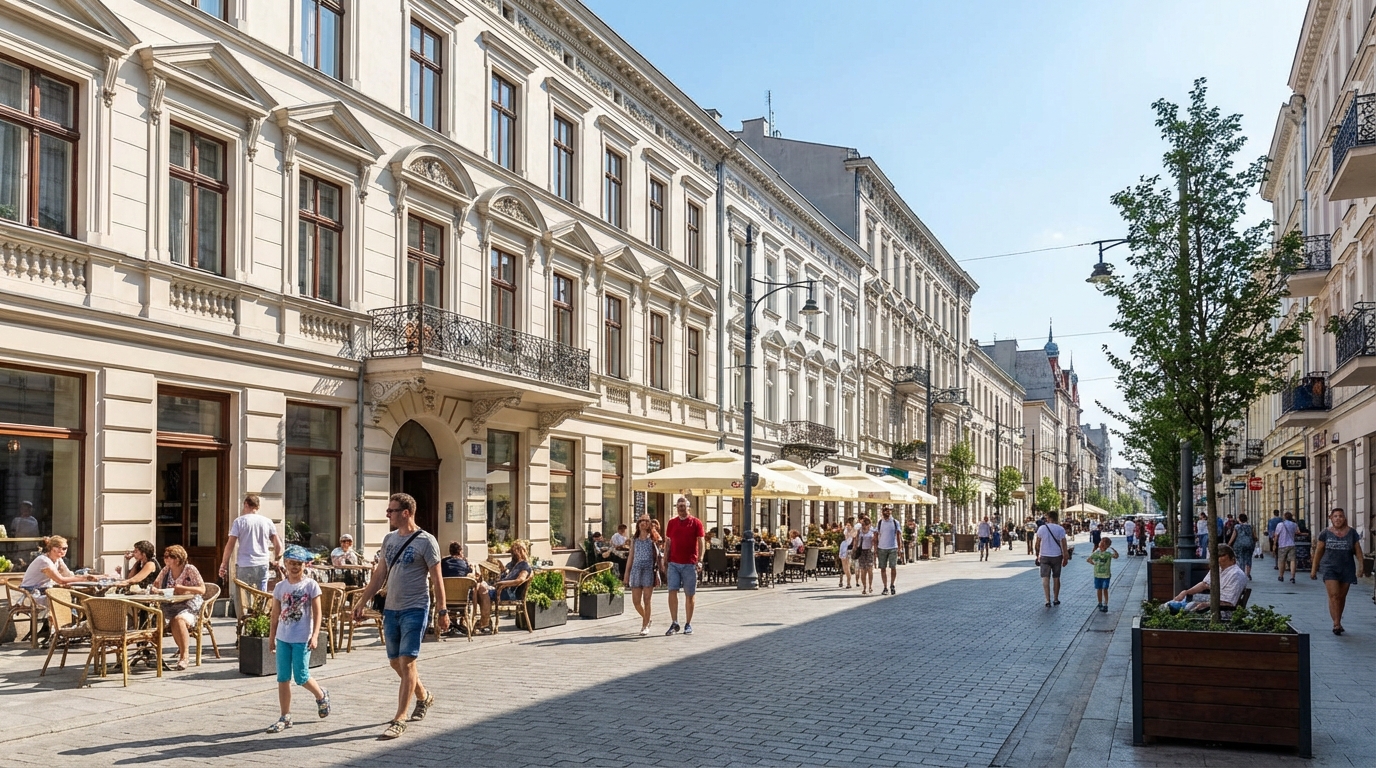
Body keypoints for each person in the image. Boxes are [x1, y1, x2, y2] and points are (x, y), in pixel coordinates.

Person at [351, 493, 448, 740]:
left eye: (391, 510)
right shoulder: (389, 539)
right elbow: (380, 574)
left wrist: (442, 611)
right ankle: (424, 696)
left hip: (415, 608)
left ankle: (400, 718)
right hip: (391, 609)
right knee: (395, 662)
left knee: (407, 662)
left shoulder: (427, 541)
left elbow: (437, 580)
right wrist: (362, 601)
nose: (388, 514)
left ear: (406, 512)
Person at [265, 545, 330, 733]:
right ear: (285, 564)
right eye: (291, 563)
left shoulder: (310, 585)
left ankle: (320, 694)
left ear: (304, 565)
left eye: (298, 564)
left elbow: (318, 613)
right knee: (283, 677)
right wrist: (271, 637)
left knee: (301, 676)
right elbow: (275, 613)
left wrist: (315, 634)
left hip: (302, 637)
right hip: (283, 637)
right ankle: (285, 716)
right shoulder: (280, 587)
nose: (294, 567)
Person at [219, 494, 284, 620]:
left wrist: (224, 564)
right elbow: (278, 544)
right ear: (258, 507)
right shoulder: (267, 522)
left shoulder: (239, 521)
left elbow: (230, 544)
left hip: (244, 563)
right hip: (262, 564)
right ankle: (260, 619)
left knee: (243, 597)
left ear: (246, 504)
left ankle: (242, 622)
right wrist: (277, 560)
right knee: (262, 594)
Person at [1310, 507, 1365, 635]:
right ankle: (1336, 624)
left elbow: (1358, 551)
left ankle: (1338, 619)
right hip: (1330, 568)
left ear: (1344, 518)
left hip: (1347, 568)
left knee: (1341, 597)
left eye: (1340, 516)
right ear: (1331, 518)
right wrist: (1314, 569)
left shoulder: (1352, 533)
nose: (1338, 518)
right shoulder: (1325, 533)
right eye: (1335, 516)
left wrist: (1361, 567)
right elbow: (1318, 552)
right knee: (1334, 596)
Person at [19, 535, 85, 638]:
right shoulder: (44, 561)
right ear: (51, 548)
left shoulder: (58, 560)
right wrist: (84, 579)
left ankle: (57, 629)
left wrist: (94, 577)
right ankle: (59, 631)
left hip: (45, 591)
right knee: (61, 598)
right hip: (31, 595)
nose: (63, 551)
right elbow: (60, 579)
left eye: (65, 548)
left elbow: (69, 576)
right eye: (60, 548)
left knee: (69, 596)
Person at [154, 544, 207, 671]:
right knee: (155, 619)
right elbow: (155, 584)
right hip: (170, 605)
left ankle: (185, 656)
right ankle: (151, 654)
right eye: (165, 556)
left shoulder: (190, 569)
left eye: (168, 557)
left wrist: (183, 588)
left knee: (178, 620)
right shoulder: (166, 570)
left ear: (177, 559)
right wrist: (156, 590)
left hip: (189, 605)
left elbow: (202, 589)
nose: (165, 559)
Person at [663, 496, 705, 636]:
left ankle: (688, 623)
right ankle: (674, 622)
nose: (681, 508)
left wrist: (700, 560)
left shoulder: (696, 523)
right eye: (678, 506)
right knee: (672, 591)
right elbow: (668, 542)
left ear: (688, 507)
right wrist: (665, 558)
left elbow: (701, 542)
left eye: (683, 506)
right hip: (674, 563)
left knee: (690, 594)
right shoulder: (672, 523)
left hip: (690, 563)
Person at [1166, 545, 1246, 614]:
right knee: (1176, 602)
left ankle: (1175, 607)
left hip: (1221, 610)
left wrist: (1206, 604)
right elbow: (1204, 584)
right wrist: (1186, 592)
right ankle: (1174, 605)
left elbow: (1229, 603)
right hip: (1212, 602)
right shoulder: (1218, 569)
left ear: (1227, 556)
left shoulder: (1236, 575)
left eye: (1217, 557)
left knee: (1181, 607)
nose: (1213, 560)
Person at [473, 542, 533, 633]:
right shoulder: (512, 564)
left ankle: (484, 621)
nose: (512, 555)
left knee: (481, 589)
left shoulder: (524, 565)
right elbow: (506, 574)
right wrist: (503, 571)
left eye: (513, 552)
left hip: (508, 592)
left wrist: (503, 583)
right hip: (500, 589)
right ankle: (485, 620)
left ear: (520, 552)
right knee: (477, 587)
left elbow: (520, 580)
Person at [624, 514, 660, 636]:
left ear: (649, 524)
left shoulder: (653, 539)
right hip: (636, 569)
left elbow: (659, 552)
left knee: (647, 600)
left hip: (648, 570)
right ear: (638, 524)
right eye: (641, 521)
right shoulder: (634, 540)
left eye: (645, 521)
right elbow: (631, 556)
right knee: (636, 601)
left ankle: (644, 626)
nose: (643, 523)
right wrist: (626, 573)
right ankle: (647, 618)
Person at [1034, 511, 1069, 608]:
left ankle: (1047, 600)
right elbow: (1064, 545)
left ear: (1048, 518)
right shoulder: (1060, 529)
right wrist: (1065, 557)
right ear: (1056, 518)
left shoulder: (1041, 528)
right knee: (1056, 577)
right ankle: (1056, 599)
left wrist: (1037, 555)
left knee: (1045, 578)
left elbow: (1037, 544)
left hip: (1044, 555)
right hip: (1057, 556)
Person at [1086, 537, 1119, 613]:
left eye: (1102, 543)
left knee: (1104, 589)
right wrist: (1094, 563)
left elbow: (1116, 556)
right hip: (1098, 575)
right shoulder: (1096, 553)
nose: (1100, 544)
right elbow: (1088, 559)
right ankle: (1100, 603)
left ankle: (1104, 604)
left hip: (1105, 575)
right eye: (1101, 542)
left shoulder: (1108, 554)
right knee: (1100, 589)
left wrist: (1115, 551)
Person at [875, 506, 902, 594]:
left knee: (893, 567)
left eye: (888, 510)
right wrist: (875, 549)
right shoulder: (879, 523)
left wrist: (900, 548)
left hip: (893, 547)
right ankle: (885, 587)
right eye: (884, 510)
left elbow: (898, 535)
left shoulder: (895, 522)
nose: (886, 512)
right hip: (881, 548)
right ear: (882, 512)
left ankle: (892, 585)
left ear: (891, 511)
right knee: (883, 568)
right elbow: (875, 536)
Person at [852, 515, 876, 595]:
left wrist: (875, 548)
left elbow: (875, 541)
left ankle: (870, 586)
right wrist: (854, 548)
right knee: (863, 570)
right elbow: (856, 540)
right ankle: (864, 587)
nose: (864, 526)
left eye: (865, 525)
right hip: (861, 551)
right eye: (863, 525)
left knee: (870, 569)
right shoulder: (859, 531)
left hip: (869, 551)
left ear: (869, 524)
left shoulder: (872, 531)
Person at [1227, 513, 1256, 579]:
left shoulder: (1237, 526)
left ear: (1239, 519)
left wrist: (1229, 544)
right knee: (1249, 558)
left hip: (1239, 545)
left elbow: (1233, 536)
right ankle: (1248, 574)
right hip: (1249, 544)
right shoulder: (1250, 526)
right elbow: (1254, 536)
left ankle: (1242, 573)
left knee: (1240, 559)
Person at [1275, 511, 1299, 584]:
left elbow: (1276, 535)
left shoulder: (1280, 525)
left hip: (1282, 545)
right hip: (1292, 544)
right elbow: (1297, 532)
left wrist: (1274, 544)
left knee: (1282, 561)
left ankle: (1281, 576)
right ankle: (1292, 577)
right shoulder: (1294, 524)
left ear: (1284, 517)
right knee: (1292, 561)